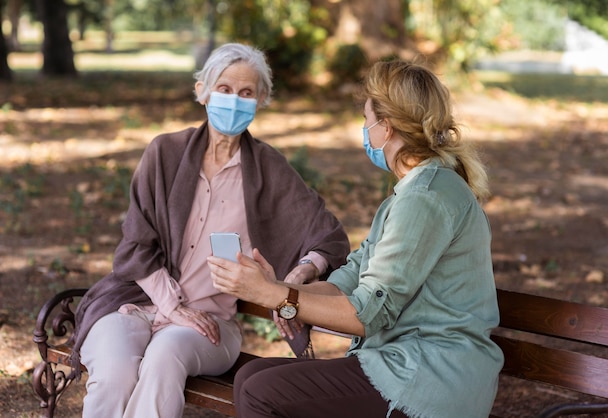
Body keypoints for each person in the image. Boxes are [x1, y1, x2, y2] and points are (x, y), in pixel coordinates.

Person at [208, 59, 505, 418]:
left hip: (430, 379)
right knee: (252, 375)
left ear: (387, 127)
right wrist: (279, 288)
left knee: (260, 391)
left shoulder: (425, 200)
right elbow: (349, 281)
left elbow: (366, 315)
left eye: (367, 119)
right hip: (403, 363)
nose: (364, 129)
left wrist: (276, 296)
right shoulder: (413, 193)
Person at [68, 43, 350, 418]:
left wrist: (295, 280)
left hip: (211, 323)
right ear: (202, 91)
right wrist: (173, 307)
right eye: (224, 89)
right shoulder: (164, 153)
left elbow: (328, 237)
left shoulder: (268, 167)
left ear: (261, 100)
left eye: (246, 93)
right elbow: (135, 242)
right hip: (135, 304)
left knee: (163, 359)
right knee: (114, 371)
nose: (234, 100)